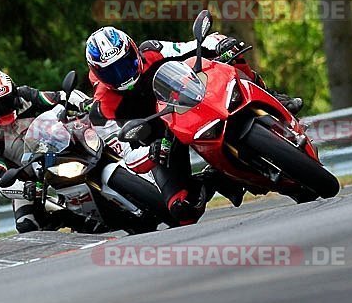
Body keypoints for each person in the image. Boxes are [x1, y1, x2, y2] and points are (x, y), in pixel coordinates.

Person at [84, 26, 303, 225]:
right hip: (161, 140)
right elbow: (126, 156)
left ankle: (272, 96)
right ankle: (215, 179)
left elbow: (191, 47)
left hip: (189, 103)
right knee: (181, 211)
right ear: (98, 73)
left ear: (133, 49)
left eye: (126, 62)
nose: (123, 74)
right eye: (111, 72)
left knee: (233, 58)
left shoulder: (151, 50)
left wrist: (218, 43)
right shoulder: (101, 110)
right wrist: (150, 153)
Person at [0, 69, 65, 233]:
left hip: (59, 153)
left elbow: (62, 97)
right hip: (29, 179)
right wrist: (26, 188)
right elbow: (2, 181)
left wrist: (85, 104)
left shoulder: (26, 96)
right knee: (26, 225)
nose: (2, 109)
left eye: (6, 101)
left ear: (14, 92)